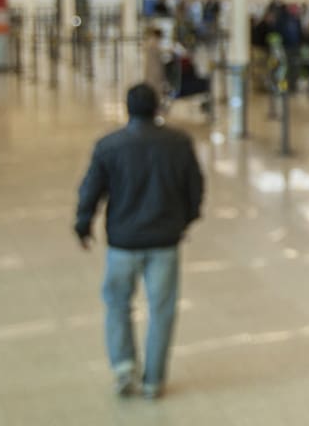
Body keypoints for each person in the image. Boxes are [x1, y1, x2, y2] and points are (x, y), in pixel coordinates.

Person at [74, 84, 204, 399]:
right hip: (165, 241)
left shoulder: (109, 146)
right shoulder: (178, 143)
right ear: (157, 108)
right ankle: (153, 379)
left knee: (117, 304)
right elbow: (195, 188)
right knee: (162, 310)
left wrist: (84, 223)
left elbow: (91, 189)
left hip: (122, 243)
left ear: (127, 108)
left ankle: (123, 367)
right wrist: (183, 221)